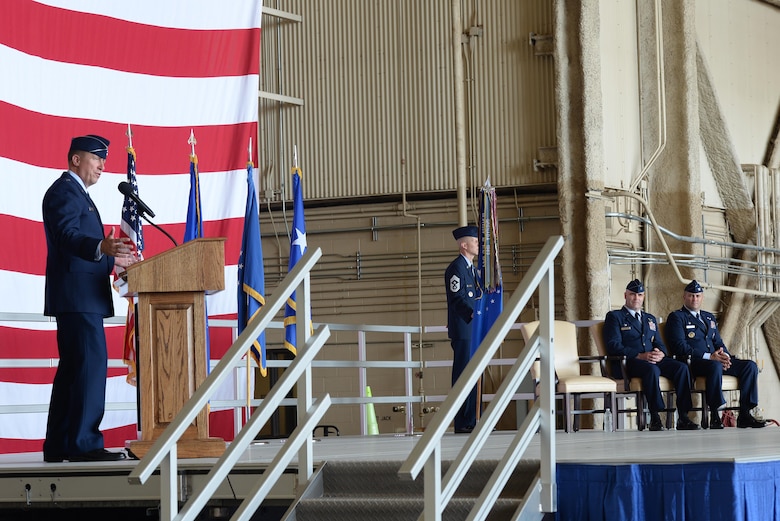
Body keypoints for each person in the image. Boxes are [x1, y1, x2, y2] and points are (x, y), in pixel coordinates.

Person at [42, 135, 137, 462]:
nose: (102, 165)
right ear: (75, 160)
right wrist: (101, 247)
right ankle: (84, 445)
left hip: (82, 297)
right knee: (89, 368)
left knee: (74, 370)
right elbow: (68, 236)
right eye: (96, 158)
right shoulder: (63, 193)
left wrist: (115, 259)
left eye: (104, 160)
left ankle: (59, 445)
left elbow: (88, 248)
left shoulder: (79, 195)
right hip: (76, 297)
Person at [665, 280, 765, 429]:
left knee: (750, 366)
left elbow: (718, 342)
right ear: (684, 297)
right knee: (714, 366)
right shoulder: (677, 317)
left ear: (702, 297)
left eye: (698, 296)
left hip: (716, 360)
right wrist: (709, 356)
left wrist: (725, 357)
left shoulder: (708, 317)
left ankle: (745, 413)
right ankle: (715, 414)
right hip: (694, 362)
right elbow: (679, 347)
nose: (695, 299)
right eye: (691, 296)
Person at [603, 279, 700, 431]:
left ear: (643, 297)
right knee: (651, 370)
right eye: (633, 294)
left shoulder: (649, 318)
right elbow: (613, 345)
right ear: (625, 295)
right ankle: (655, 417)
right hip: (629, 363)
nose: (636, 298)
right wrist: (639, 355)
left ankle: (683, 416)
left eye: (640, 295)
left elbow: (660, 343)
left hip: (652, 359)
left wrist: (661, 353)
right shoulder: (615, 316)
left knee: (681, 368)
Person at [445, 225, 482, 433]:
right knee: (463, 376)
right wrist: (473, 315)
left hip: (473, 329)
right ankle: (463, 422)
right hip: (465, 329)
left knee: (474, 374)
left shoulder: (472, 270)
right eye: (475, 241)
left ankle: (473, 418)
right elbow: (457, 299)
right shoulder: (456, 268)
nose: (478, 244)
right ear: (464, 245)